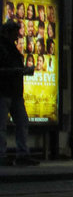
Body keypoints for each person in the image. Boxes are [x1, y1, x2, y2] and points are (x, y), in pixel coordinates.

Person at [0, 19, 39, 166]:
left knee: (21, 122)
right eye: (15, 33)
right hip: (5, 91)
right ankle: (9, 154)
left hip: (13, 92)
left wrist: (21, 72)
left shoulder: (11, 48)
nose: (17, 37)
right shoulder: (4, 48)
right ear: (7, 32)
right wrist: (18, 71)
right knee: (7, 125)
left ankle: (20, 153)